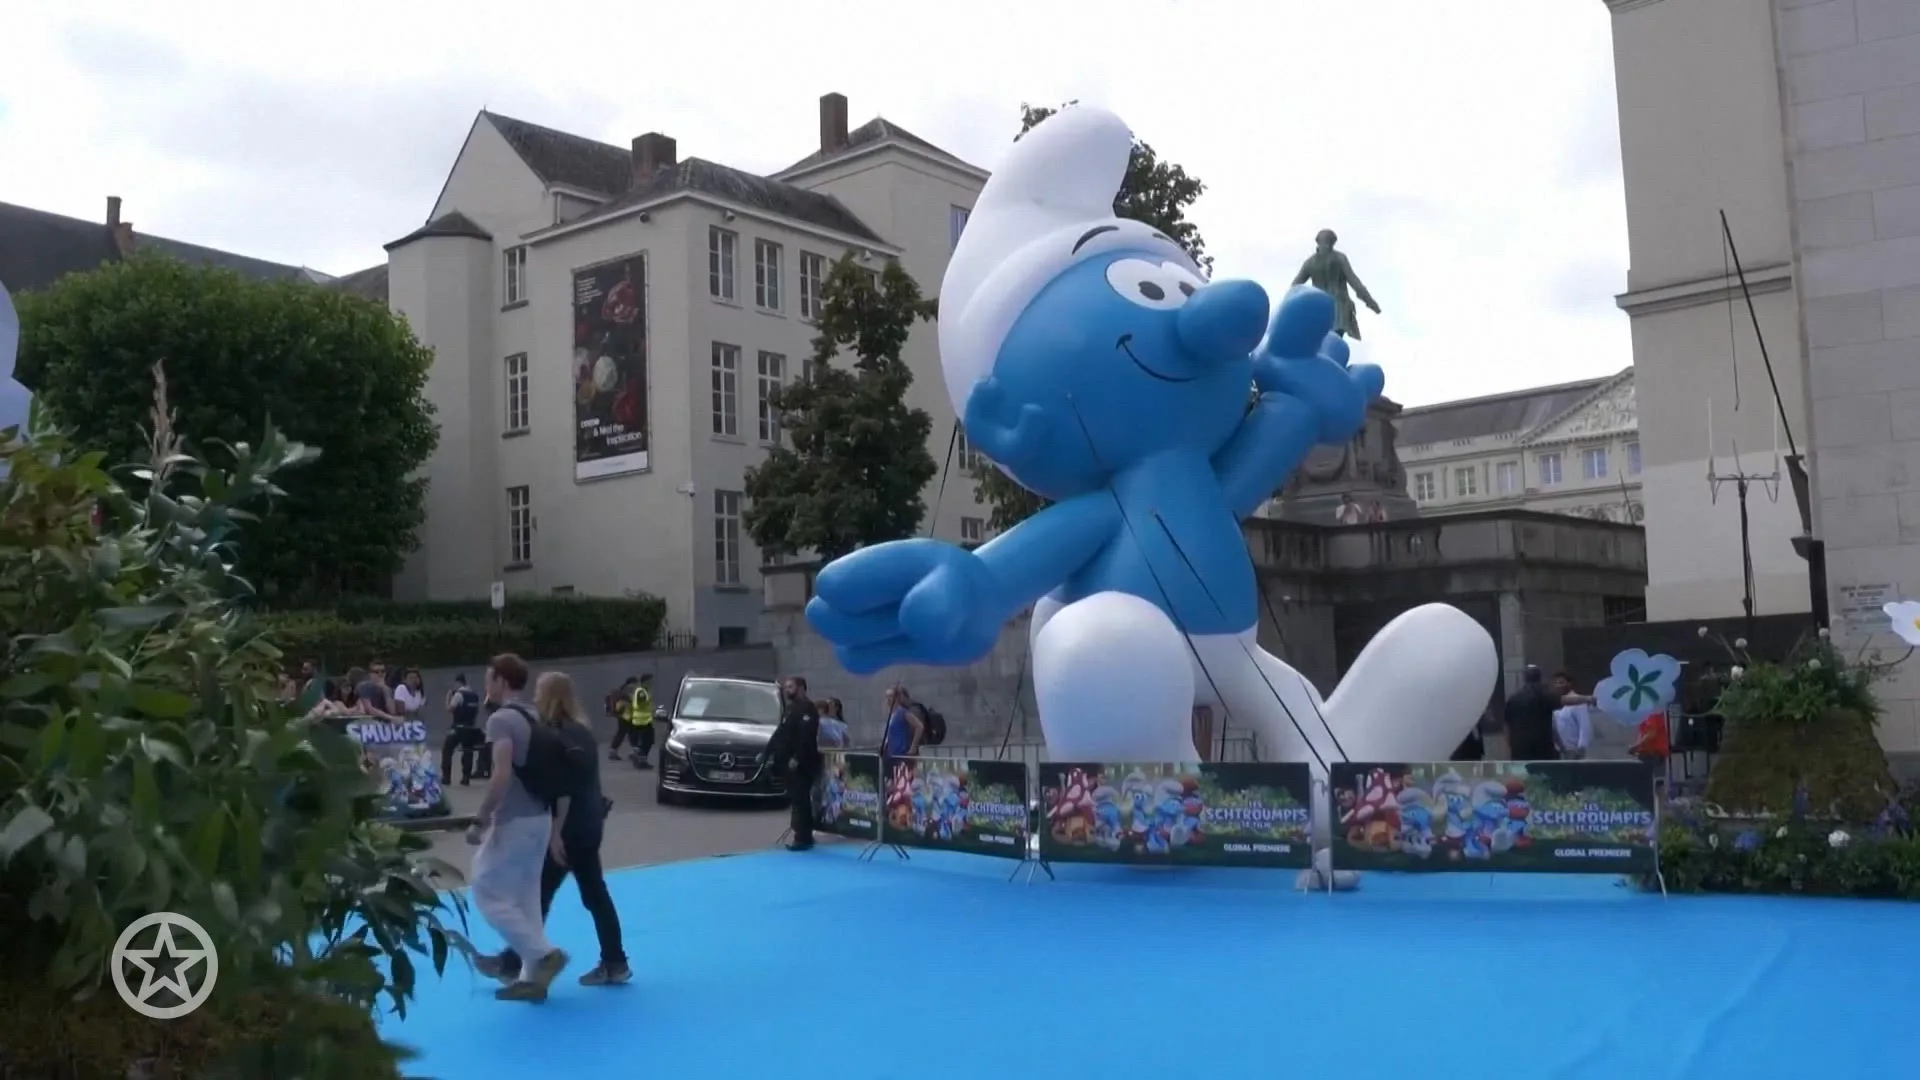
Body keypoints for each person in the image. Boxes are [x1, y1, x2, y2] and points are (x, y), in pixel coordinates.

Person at [482, 672, 629, 987]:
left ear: (549, 696)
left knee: (539, 895)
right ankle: (614, 961)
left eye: (538, 692)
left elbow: (562, 787)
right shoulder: (583, 733)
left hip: (570, 828)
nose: (534, 697)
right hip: (589, 824)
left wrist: (555, 832)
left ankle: (513, 961)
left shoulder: (557, 735)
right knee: (592, 894)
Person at [465, 653, 569, 1001]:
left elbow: (501, 774)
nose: (485, 684)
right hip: (540, 817)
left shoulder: (501, 721)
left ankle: (543, 954)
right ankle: (531, 979)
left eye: (489, 678)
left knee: (486, 889)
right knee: (526, 900)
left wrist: (482, 818)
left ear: (501, 682)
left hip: (514, 819)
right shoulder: (535, 715)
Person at [768, 676, 822, 851]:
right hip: (788, 762)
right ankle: (801, 833)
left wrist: (797, 758)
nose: (786, 690)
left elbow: (805, 738)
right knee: (796, 799)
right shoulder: (791, 709)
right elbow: (782, 733)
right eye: (786, 687)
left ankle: (803, 837)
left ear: (800, 688)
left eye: (790, 686)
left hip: (803, 763)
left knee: (801, 800)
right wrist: (767, 751)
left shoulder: (808, 709)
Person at [1501, 666, 1560, 761]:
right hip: (1542, 746)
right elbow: (1563, 701)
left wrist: (1510, 745)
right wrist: (1586, 699)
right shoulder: (1545, 695)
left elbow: (1506, 725)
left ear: (1524, 678)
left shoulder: (1513, 699)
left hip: (1520, 747)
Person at [441, 674, 484, 785]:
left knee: (447, 750)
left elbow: (449, 709)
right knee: (468, 751)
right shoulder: (474, 695)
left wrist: (448, 697)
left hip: (458, 727)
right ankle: (466, 777)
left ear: (458, 683)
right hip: (470, 728)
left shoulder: (459, 694)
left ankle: (446, 777)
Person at [1551, 671, 1594, 760]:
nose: (1558, 686)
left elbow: (1584, 726)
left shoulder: (1578, 701)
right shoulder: (1554, 702)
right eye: (1556, 683)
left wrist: (1581, 747)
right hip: (1558, 748)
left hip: (1573, 748)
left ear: (1569, 684)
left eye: (1561, 683)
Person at [625, 674, 656, 769]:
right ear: (645, 682)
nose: (651, 683)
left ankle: (641, 759)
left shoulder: (644, 691)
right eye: (650, 681)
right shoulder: (641, 692)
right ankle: (638, 756)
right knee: (647, 742)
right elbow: (640, 702)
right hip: (642, 722)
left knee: (647, 742)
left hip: (644, 721)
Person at [882, 686, 921, 759]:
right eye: (886, 696)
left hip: (901, 752)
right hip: (890, 752)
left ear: (897, 697)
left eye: (890, 696)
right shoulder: (891, 714)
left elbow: (919, 727)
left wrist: (913, 747)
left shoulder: (903, 712)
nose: (888, 699)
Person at [606, 677, 638, 761]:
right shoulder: (629, 689)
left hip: (623, 715)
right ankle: (635, 751)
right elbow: (631, 700)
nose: (636, 685)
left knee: (625, 732)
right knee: (628, 732)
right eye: (635, 682)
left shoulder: (622, 689)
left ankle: (613, 751)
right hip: (626, 715)